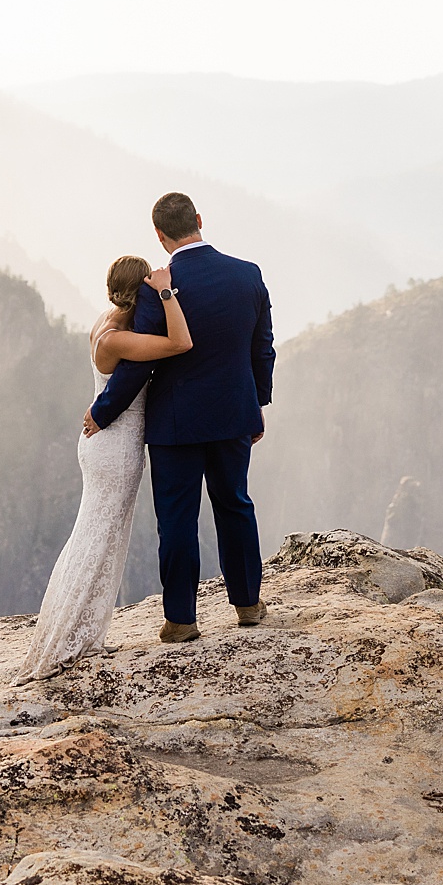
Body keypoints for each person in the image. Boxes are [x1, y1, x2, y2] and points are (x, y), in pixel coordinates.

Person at [86, 192, 276, 643]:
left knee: (177, 520)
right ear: (199, 221)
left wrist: (103, 411)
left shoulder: (158, 287)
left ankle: (181, 620)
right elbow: (261, 348)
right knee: (235, 505)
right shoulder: (248, 275)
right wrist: (257, 405)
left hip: (175, 424)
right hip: (233, 414)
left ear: (159, 234)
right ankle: (248, 605)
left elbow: (140, 363)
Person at [13, 255, 192, 680]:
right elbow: (180, 343)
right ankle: (70, 639)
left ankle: (82, 631)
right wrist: (166, 293)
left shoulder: (107, 320)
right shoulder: (117, 339)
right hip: (115, 448)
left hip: (103, 444)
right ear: (140, 288)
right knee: (100, 540)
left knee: (98, 536)